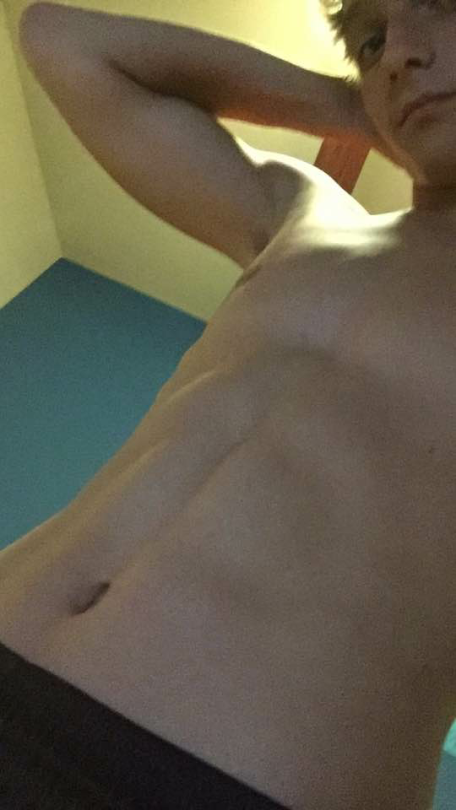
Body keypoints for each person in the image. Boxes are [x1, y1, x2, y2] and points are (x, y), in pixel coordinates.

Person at [1, 0, 455, 807]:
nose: (397, 56)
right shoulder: (305, 218)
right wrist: (367, 108)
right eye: (372, 41)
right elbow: (60, 40)